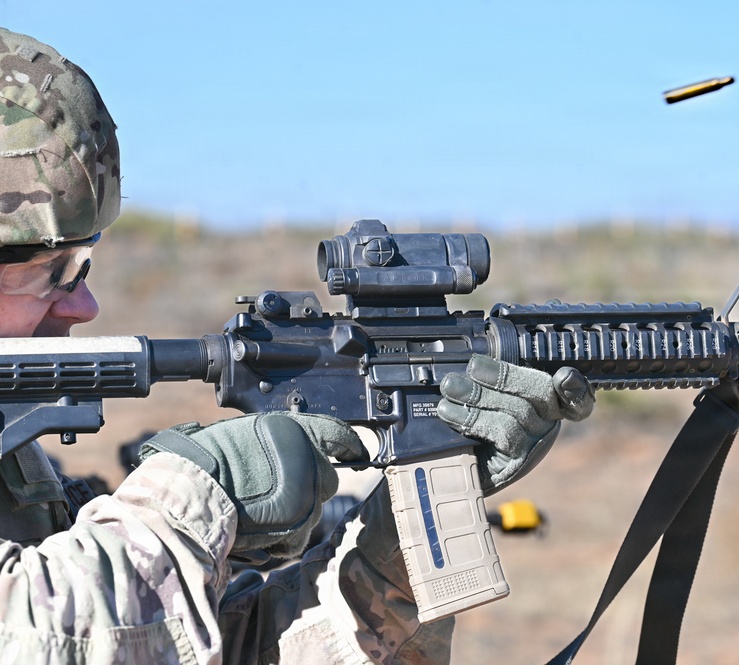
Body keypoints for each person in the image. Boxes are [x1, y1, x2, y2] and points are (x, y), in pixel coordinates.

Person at [0, 27, 595, 664]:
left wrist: (401, 544)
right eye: (50, 271)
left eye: (82, 267)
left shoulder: (23, 476)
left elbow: (222, 651)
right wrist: (200, 489)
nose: (83, 305)